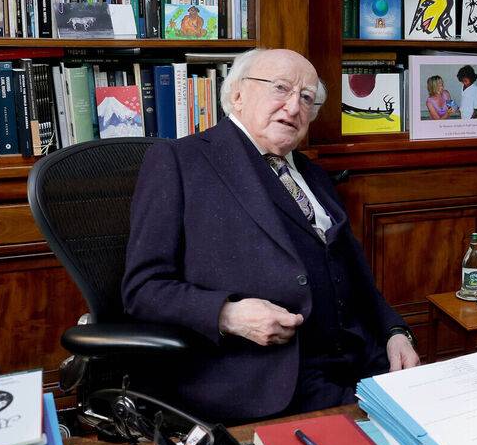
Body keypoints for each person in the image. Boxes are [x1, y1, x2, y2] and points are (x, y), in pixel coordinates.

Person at [122, 48, 421, 422]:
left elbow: (357, 278)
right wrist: (228, 315)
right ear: (237, 94)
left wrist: (395, 332)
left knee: (440, 426)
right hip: (267, 378)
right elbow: (143, 288)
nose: (294, 107)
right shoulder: (180, 162)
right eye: (280, 88)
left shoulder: (312, 174)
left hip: (360, 359)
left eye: (306, 98)